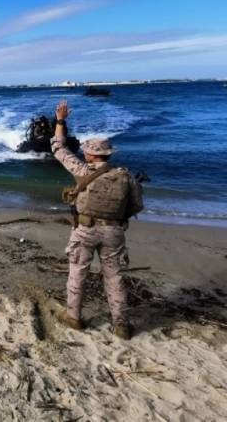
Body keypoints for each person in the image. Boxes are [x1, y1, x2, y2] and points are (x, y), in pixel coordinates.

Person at [52, 100, 143, 339]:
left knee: (77, 272)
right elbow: (137, 206)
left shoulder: (82, 171)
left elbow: (59, 148)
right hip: (114, 232)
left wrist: (60, 121)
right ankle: (121, 325)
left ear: (90, 154)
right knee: (115, 277)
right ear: (108, 154)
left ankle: (74, 318)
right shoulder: (126, 177)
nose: (84, 152)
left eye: (86, 151)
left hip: (84, 229)